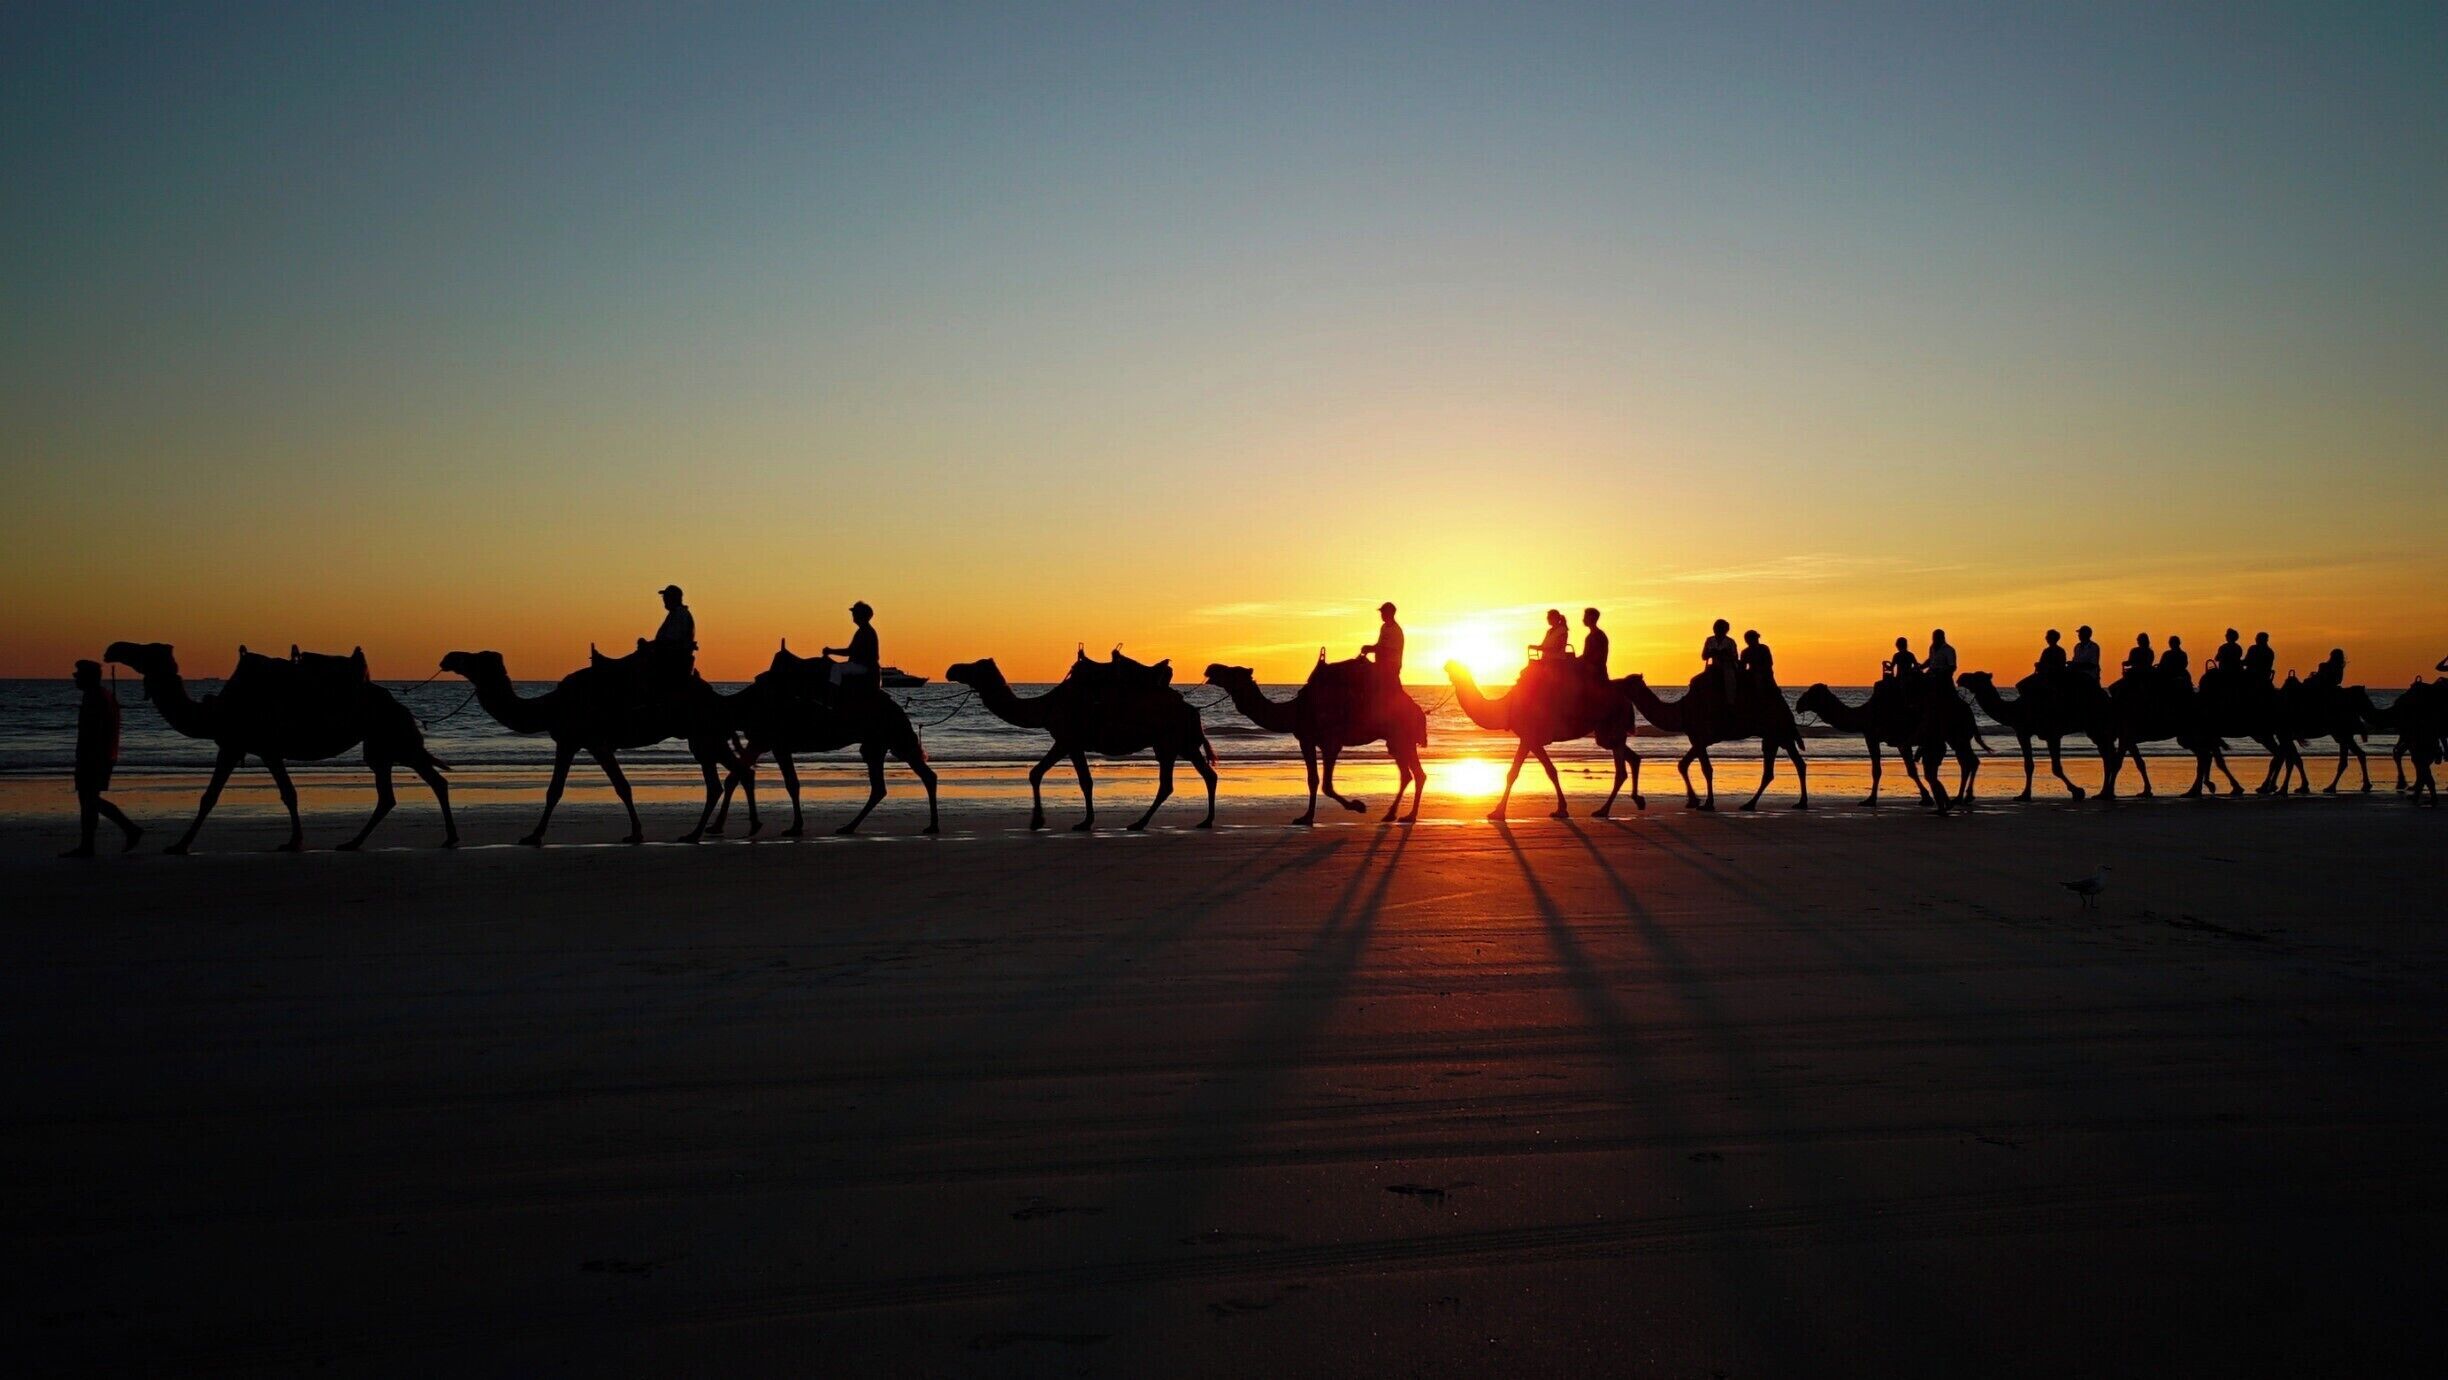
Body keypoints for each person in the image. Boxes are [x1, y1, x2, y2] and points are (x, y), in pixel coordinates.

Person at [64, 660, 140, 858]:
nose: (75, 678)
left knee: (89, 799)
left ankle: (128, 829)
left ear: (87, 677)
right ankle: (88, 845)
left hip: (94, 757)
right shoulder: (102, 695)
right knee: (88, 800)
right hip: (101, 756)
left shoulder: (95, 698)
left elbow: (94, 731)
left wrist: (89, 757)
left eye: (78, 674)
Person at [825, 601, 881, 692]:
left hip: (865, 667)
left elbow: (849, 651)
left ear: (861, 615)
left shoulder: (865, 631)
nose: (853, 615)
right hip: (867, 667)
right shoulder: (865, 630)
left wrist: (830, 651)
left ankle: (833, 695)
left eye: (855, 613)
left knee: (836, 668)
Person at [651, 584, 696, 677]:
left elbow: (671, 640)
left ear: (674, 598)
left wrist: (649, 645)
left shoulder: (680, 614)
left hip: (672, 660)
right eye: (664, 597)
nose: (664, 599)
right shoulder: (676, 614)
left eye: (666, 597)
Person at [1360, 602, 1405, 685]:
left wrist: (1371, 649)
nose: (1382, 615)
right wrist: (1369, 648)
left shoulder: (1396, 630)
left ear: (1390, 613)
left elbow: (1391, 651)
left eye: (1383, 612)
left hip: (1391, 667)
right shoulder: (1384, 627)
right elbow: (1379, 645)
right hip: (1381, 664)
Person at [1703, 619, 1740, 702]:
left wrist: (1725, 655)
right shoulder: (1709, 640)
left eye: (1720, 629)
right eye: (1716, 628)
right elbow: (1704, 656)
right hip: (1713, 668)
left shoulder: (1730, 641)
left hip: (1728, 669)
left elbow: (1735, 658)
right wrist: (1712, 653)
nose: (1717, 631)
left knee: (1729, 688)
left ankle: (1731, 702)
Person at [1579, 608, 1609, 681]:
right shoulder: (1590, 636)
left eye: (1585, 617)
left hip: (1596, 674)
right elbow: (1586, 655)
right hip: (1590, 671)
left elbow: (1599, 657)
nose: (1583, 619)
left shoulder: (1599, 636)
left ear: (1591, 618)